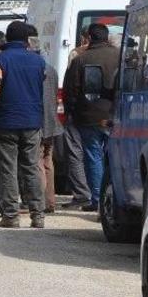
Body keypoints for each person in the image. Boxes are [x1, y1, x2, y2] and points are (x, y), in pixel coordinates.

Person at [0, 21, 47, 229]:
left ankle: (11, 215)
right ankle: (38, 215)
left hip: (6, 121)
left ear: (7, 38)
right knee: (32, 167)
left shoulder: (0, 60)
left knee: (8, 168)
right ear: (27, 39)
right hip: (33, 121)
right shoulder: (39, 61)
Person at [63, 22, 120, 211]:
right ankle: (118, 197)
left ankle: (98, 199)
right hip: (118, 115)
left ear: (88, 37)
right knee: (117, 157)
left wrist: (71, 112)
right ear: (106, 36)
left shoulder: (80, 59)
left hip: (89, 116)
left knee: (93, 157)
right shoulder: (121, 56)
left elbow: (70, 90)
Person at [61, 32, 97, 208]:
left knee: (76, 154)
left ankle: (83, 194)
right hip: (108, 115)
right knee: (98, 155)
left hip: (80, 114)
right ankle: (98, 194)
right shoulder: (117, 54)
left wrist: (69, 110)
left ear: (85, 38)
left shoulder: (77, 55)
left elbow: (70, 86)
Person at [40, 60, 62, 213]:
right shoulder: (52, 68)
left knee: (37, 162)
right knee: (48, 161)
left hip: (39, 122)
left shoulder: (35, 68)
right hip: (52, 122)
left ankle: (40, 201)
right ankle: (50, 201)